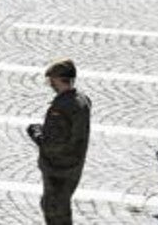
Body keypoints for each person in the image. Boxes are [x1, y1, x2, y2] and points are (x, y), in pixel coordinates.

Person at [28, 59, 91, 225]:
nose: (50, 84)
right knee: (60, 207)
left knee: (54, 210)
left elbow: (52, 143)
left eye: (51, 80)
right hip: (73, 165)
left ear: (59, 79)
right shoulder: (82, 100)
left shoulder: (61, 107)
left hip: (58, 169)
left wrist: (36, 133)